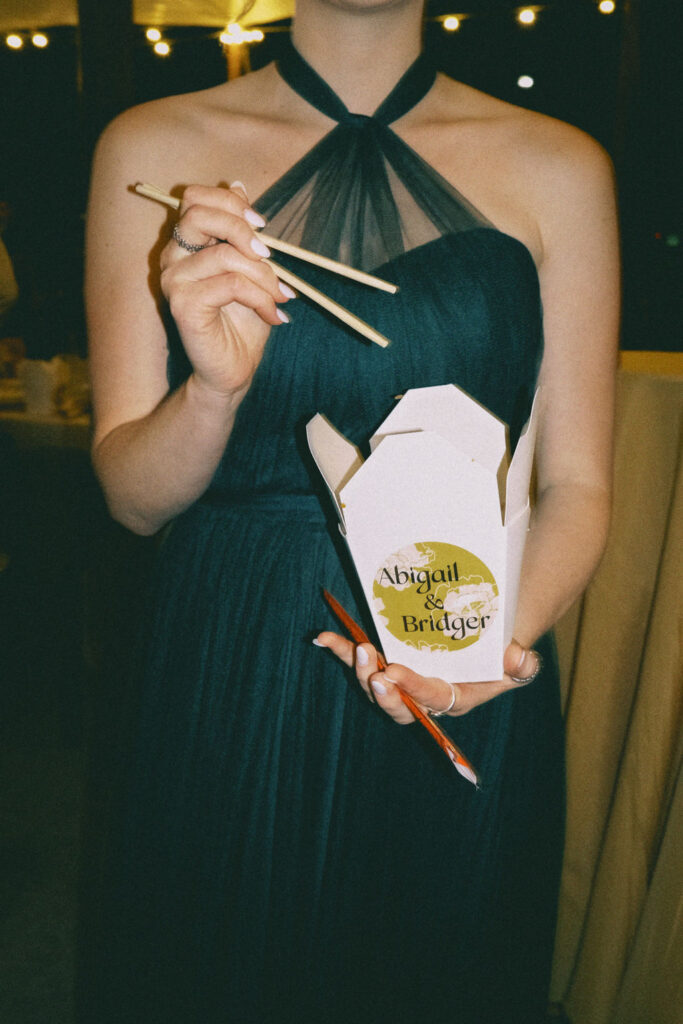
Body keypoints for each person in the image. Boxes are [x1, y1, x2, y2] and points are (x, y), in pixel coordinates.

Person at [81, 0, 619, 1021]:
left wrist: (475, 658)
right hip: (233, 643)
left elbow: (576, 484)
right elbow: (132, 499)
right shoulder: (154, 150)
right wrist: (213, 391)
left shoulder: (559, 165)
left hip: (453, 630)